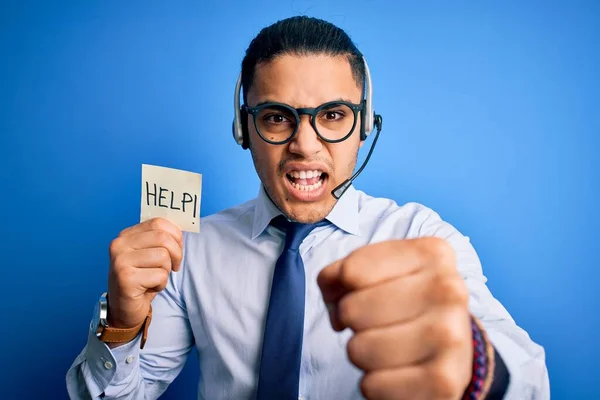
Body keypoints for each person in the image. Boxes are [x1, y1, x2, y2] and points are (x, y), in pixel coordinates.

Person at [66, 16, 549, 400]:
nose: (305, 144)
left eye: (333, 116)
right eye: (277, 118)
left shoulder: (422, 238)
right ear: (243, 127)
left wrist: (476, 366)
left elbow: (531, 384)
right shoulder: (186, 249)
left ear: (363, 125)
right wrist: (123, 325)